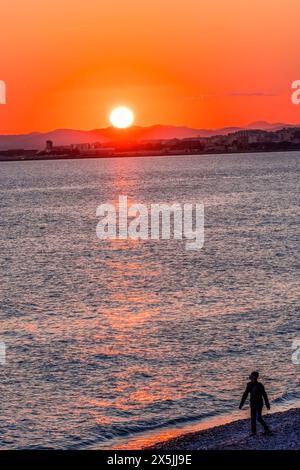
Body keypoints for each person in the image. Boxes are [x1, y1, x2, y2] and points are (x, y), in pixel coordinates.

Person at [239, 371, 271, 436]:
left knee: (258, 418)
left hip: (259, 403)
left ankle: (266, 428)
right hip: (252, 403)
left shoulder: (260, 385)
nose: (249, 376)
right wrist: (241, 404)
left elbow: (264, 395)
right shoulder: (249, 384)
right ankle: (254, 433)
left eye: (251, 375)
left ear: (254, 377)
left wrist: (267, 404)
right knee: (252, 418)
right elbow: (245, 395)